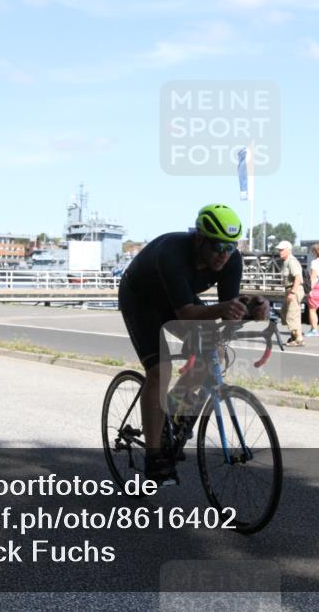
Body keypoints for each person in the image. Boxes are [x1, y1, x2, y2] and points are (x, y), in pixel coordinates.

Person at [118, 204, 269, 483]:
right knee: (160, 371)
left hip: (177, 298)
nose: (225, 254)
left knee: (216, 352)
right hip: (142, 300)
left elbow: (228, 312)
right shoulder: (172, 253)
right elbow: (186, 314)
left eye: (231, 247)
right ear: (199, 238)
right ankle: (154, 457)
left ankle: (173, 414)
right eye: (219, 246)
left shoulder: (231, 260)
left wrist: (251, 308)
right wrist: (226, 308)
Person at [276, 240, 304, 346]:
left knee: (292, 315)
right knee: (284, 312)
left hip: (294, 289)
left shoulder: (292, 261)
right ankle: (294, 335)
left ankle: (299, 339)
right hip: (289, 289)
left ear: (288, 250)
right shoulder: (286, 261)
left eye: (282, 250)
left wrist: (292, 292)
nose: (280, 252)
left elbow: (297, 278)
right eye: (279, 250)